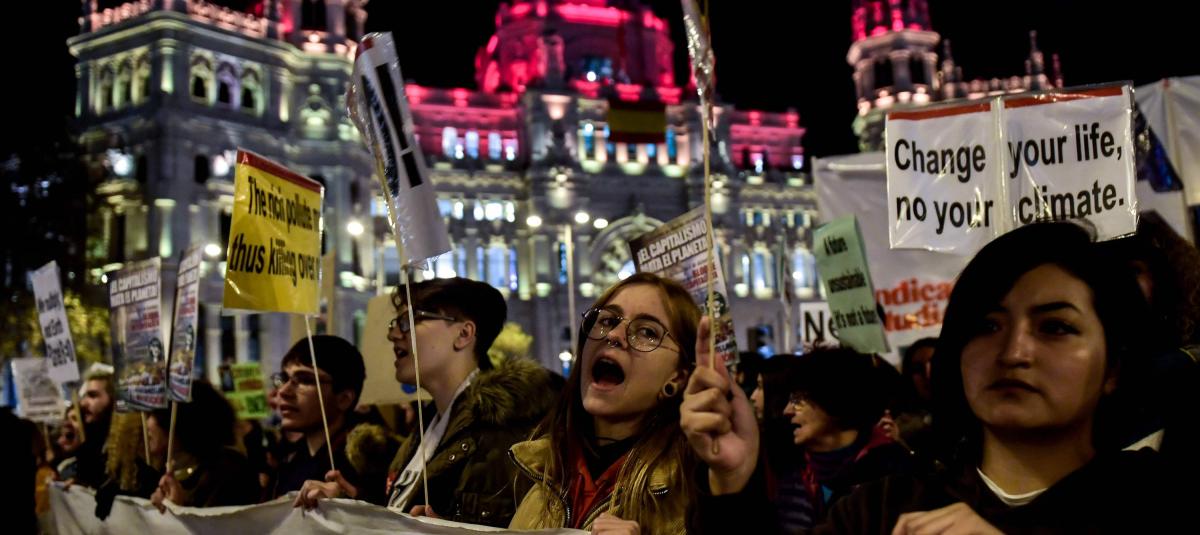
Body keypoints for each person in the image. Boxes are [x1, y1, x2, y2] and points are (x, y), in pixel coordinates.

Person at [684, 222, 1192, 533]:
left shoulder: (1162, 504)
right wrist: (732, 484)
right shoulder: (881, 510)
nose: (1014, 352)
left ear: (1114, 366)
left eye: (1055, 327)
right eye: (987, 325)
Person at [295, 277, 557, 529]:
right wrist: (350, 504)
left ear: (464, 334)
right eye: (395, 323)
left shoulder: (507, 432)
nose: (393, 334)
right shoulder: (426, 427)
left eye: (410, 321)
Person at [508, 272, 699, 533]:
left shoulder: (695, 495)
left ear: (678, 377)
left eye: (647, 331)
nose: (614, 335)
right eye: (608, 320)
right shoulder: (542, 470)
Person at [270, 335, 378, 502]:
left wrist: (347, 501)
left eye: (304, 380)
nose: (283, 391)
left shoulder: (367, 462)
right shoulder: (289, 461)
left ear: (343, 399)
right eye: (283, 379)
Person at [147, 381, 260, 510]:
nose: (147, 424)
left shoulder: (229, 470)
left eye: (154, 414)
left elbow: (221, 521)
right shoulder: (168, 471)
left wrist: (178, 510)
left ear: (182, 419)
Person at [73, 366, 116, 489]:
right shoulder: (90, 443)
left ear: (113, 398)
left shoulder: (128, 444)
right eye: (85, 396)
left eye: (93, 396)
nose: (83, 403)